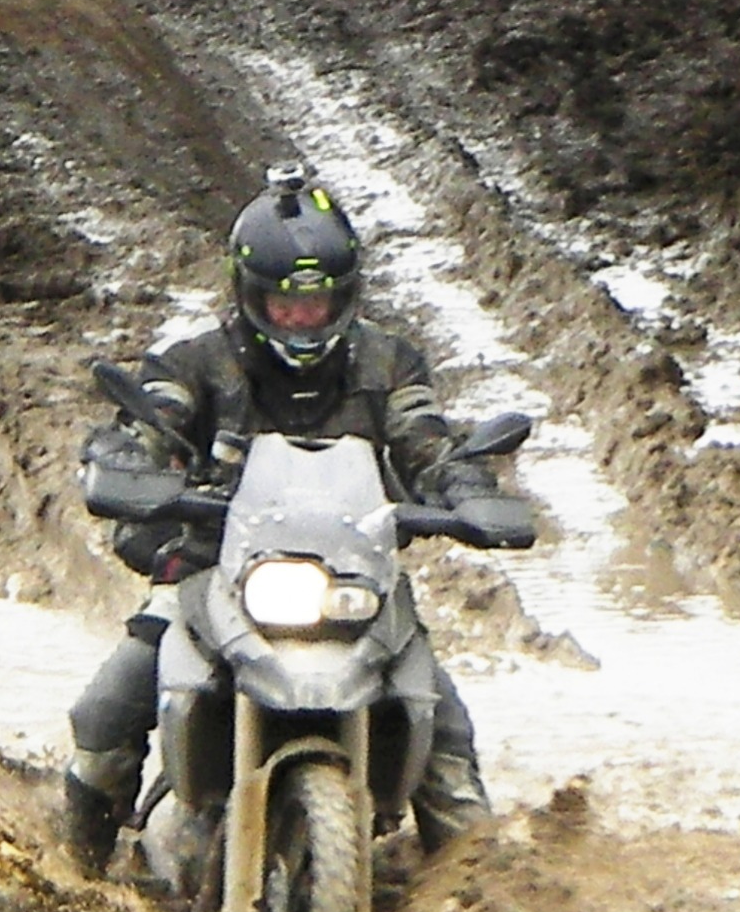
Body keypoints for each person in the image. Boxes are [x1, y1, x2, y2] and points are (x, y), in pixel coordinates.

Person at [62, 164, 504, 871]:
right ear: (249, 293)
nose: (303, 318)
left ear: (346, 295)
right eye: (285, 304)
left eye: (320, 303)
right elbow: (156, 413)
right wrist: (127, 456)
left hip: (356, 579)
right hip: (213, 572)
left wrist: (466, 485)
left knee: (444, 729)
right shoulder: (197, 361)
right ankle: (73, 871)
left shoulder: (388, 361)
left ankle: (482, 902)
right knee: (107, 710)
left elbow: (425, 437)